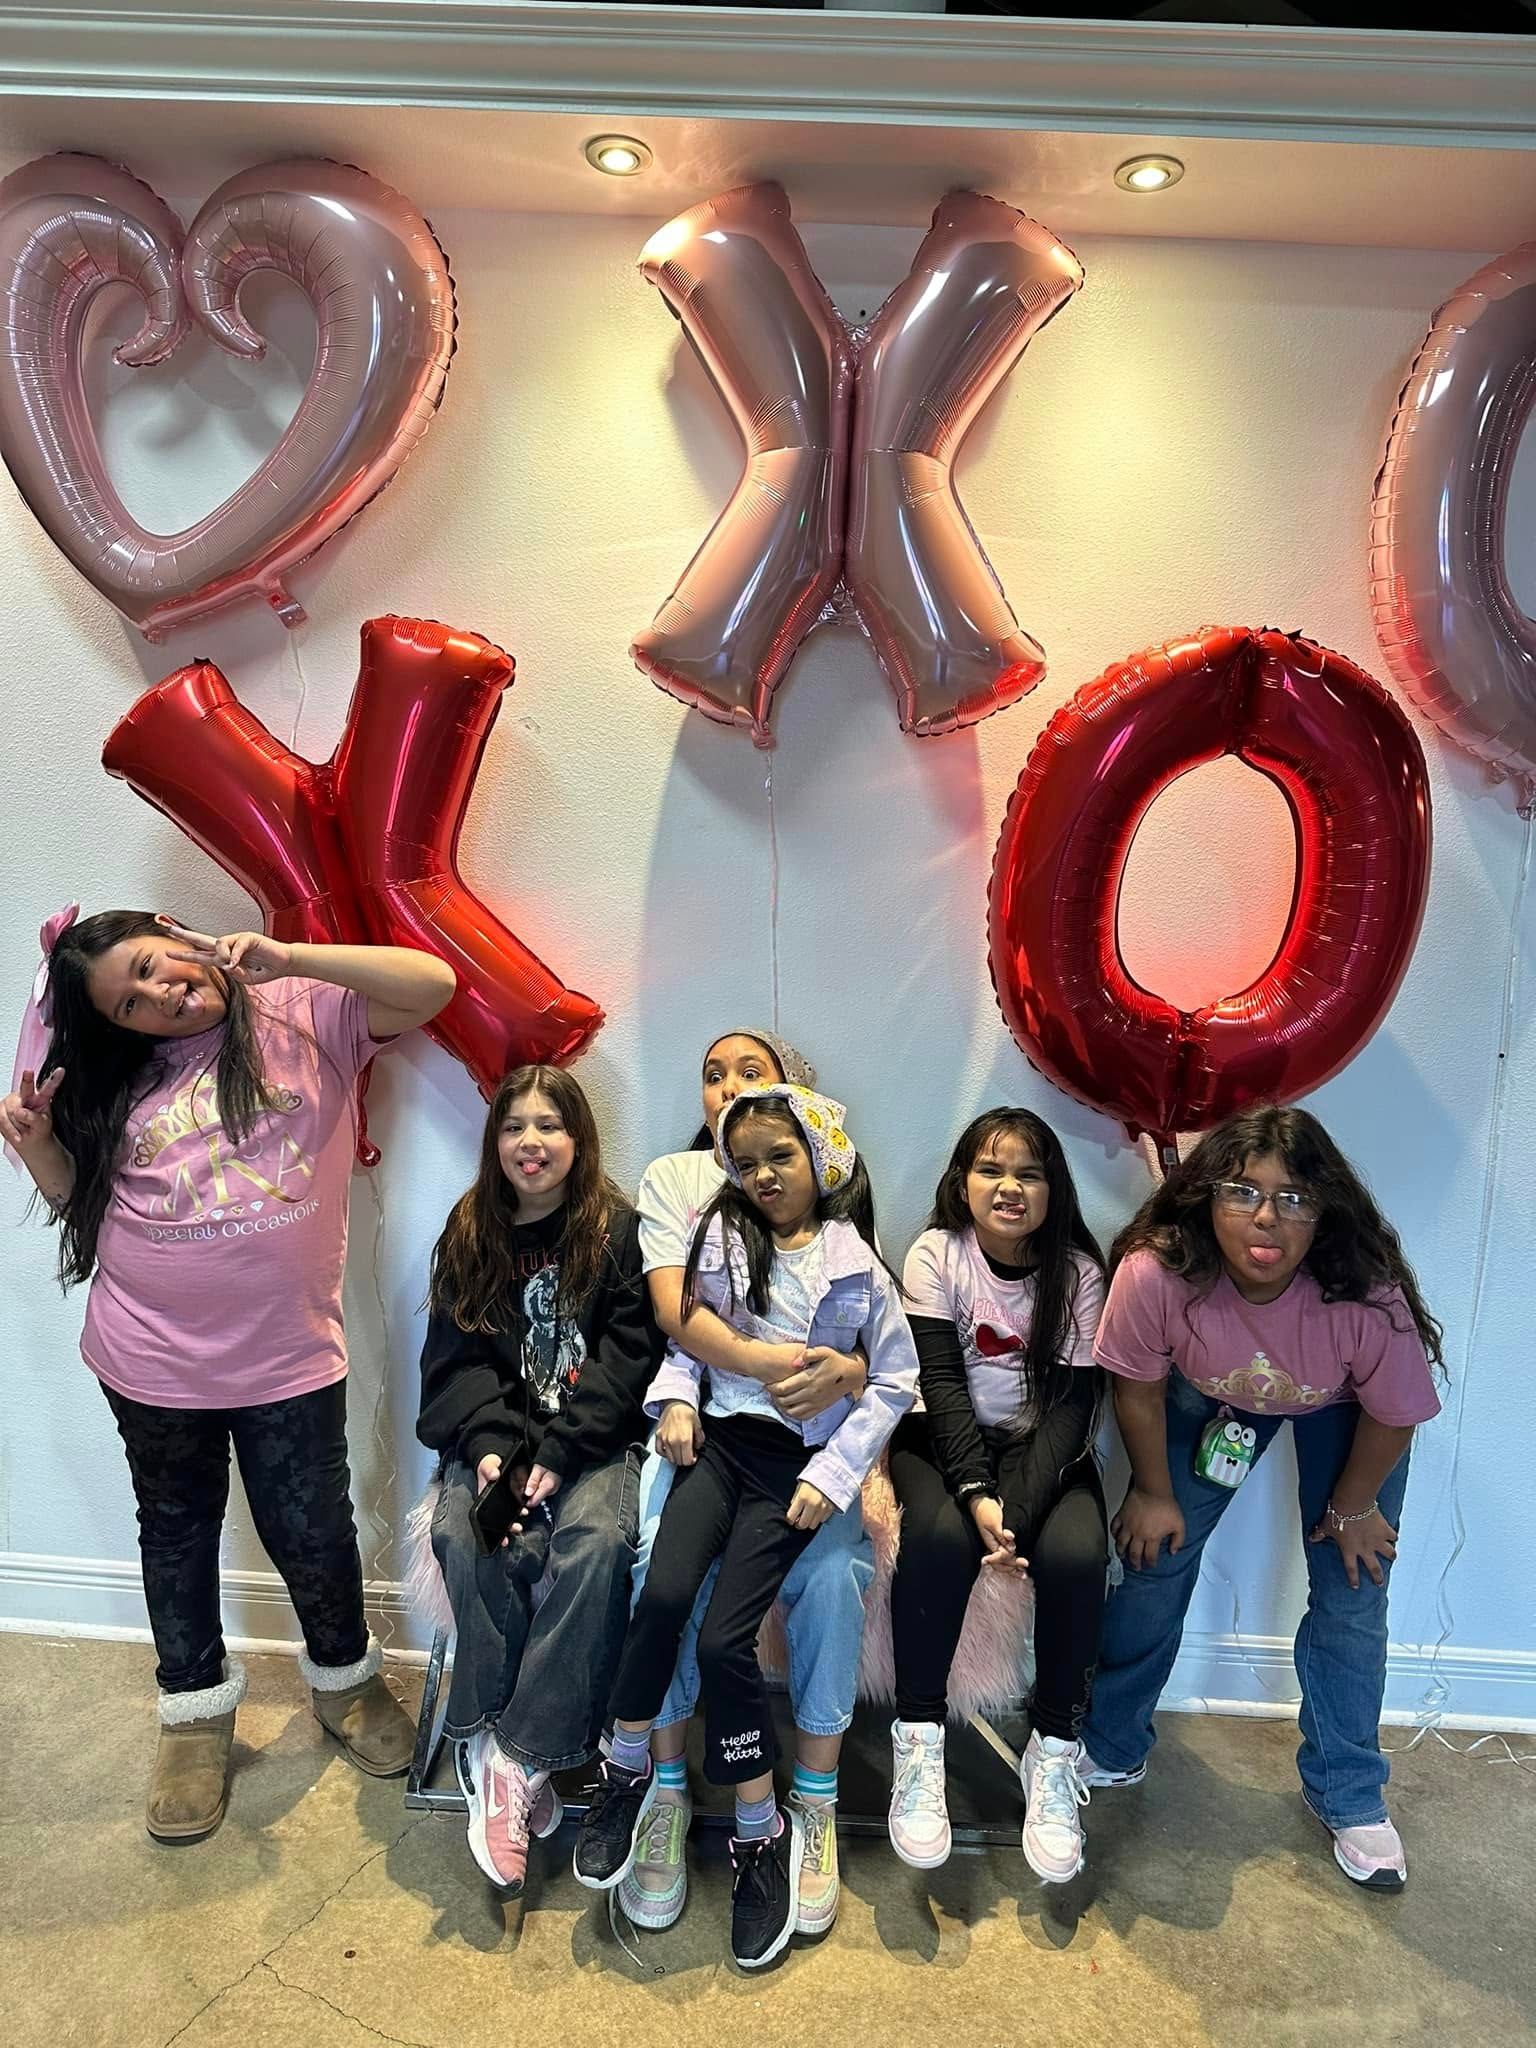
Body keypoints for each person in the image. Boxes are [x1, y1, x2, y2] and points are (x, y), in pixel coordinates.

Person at [1, 908, 455, 1842]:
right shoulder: (113, 1083)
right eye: (131, 1004)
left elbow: (433, 984)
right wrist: (36, 1144)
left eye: (151, 966)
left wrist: (288, 954)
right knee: (175, 1532)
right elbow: (81, 1212)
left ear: (176, 931)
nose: (160, 995)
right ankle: (195, 1712)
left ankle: (346, 1680)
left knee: (313, 1525)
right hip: (147, 1354)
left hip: (287, 1353)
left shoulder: (301, 1013)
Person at [573, 1084, 917, 1970]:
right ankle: (624, 1770)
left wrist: (834, 1474)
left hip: (791, 1470)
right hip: (717, 1451)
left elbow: (894, 1384)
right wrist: (678, 1401)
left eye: (782, 1157)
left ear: (822, 1161)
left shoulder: (857, 1265)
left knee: (727, 1641)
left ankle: (760, 1838)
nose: (763, 1175)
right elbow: (691, 1339)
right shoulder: (720, 1238)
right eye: (746, 1161)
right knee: (662, 1595)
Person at [1079, 1105, 1443, 1892]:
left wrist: (1350, 1509)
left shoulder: (1363, 1294)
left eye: (1296, 1198)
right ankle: (1110, 1744)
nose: (1267, 1218)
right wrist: (1151, 1489)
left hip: (1343, 1409)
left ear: (1326, 1209)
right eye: (1243, 1191)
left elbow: (1396, 1411)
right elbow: (1136, 1389)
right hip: (1206, 1399)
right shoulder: (1160, 1268)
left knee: (1353, 1590)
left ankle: (1350, 1794)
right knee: (1152, 1558)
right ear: (1208, 1195)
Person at [624, 1032, 872, 1939]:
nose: (727, 1086)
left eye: (751, 1073)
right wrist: (683, 1398)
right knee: (658, 1562)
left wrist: (846, 1379)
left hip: (808, 1450)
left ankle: (810, 1803)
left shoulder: (832, 1209)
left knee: (835, 1574)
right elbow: (681, 1321)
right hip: (712, 1428)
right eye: (712, 1073)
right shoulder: (683, 1188)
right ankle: (663, 1785)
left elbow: (871, 1352)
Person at [416, 1064, 661, 1896]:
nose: (531, 1142)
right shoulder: (469, 1230)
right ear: (494, 1143)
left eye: (549, 1125)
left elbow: (631, 1366)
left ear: (578, 1139)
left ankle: (510, 1759)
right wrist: (489, 1450)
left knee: (597, 1545)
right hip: (498, 1444)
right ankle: (506, 1745)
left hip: (592, 1446)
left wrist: (559, 1457)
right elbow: (453, 1366)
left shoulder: (618, 1232)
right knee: (470, 1534)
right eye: (514, 1126)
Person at [888, 1108, 1108, 1883]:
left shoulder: (1080, 1274)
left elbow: (1076, 1407)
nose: (1009, 1187)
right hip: (941, 1440)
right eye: (991, 1170)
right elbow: (941, 1388)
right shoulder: (934, 1256)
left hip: (1045, 1449)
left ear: (1055, 1189)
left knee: (1079, 1556)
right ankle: (918, 1742)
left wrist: (1012, 1510)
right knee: (941, 1541)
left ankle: (1051, 1754)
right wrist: (978, 1495)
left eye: (1029, 1173)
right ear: (961, 1182)